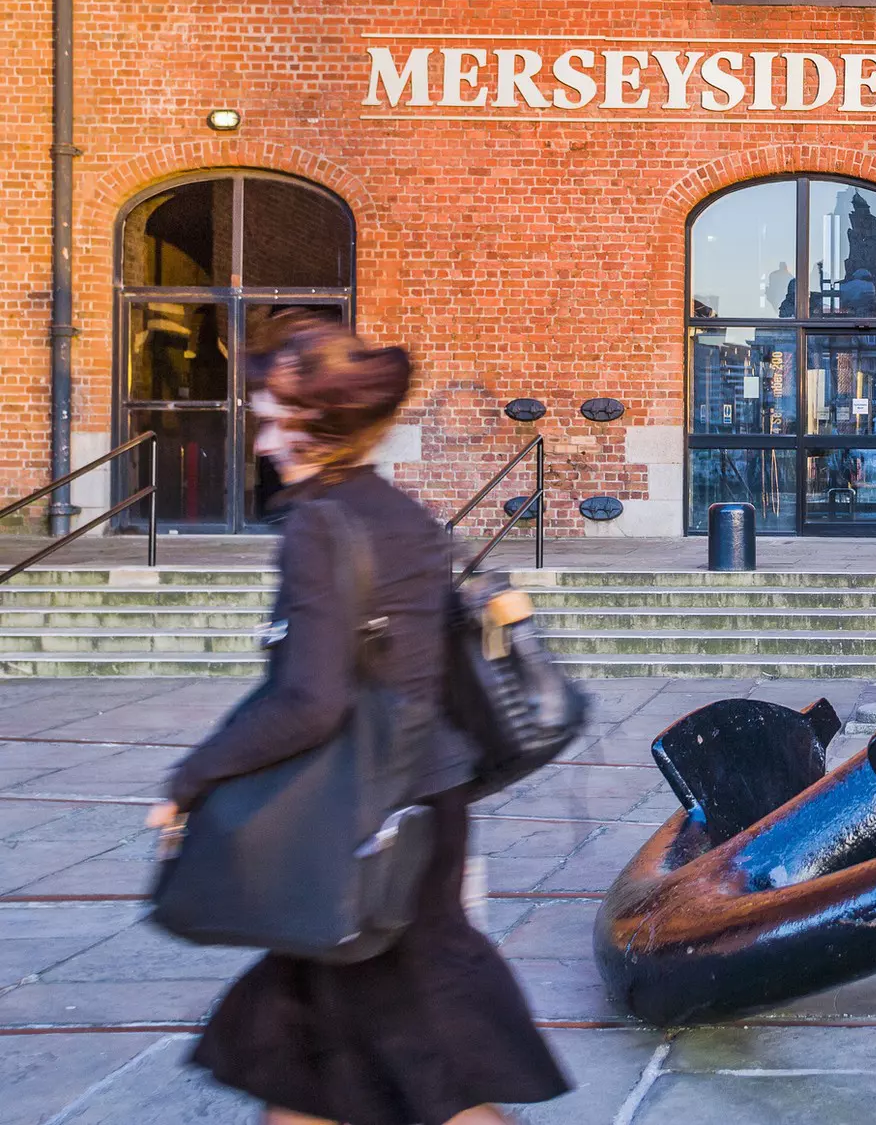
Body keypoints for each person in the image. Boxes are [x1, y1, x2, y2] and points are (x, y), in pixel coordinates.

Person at [146, 313, 569, 1125]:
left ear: (316, 422)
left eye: (272, 416)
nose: (262, 437)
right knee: (316, 1064)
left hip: (360, 824)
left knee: (420, 1063)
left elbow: (310, 701)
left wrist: (191, 778)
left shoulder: (317, 528)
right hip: (418, 804)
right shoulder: (402, 516)